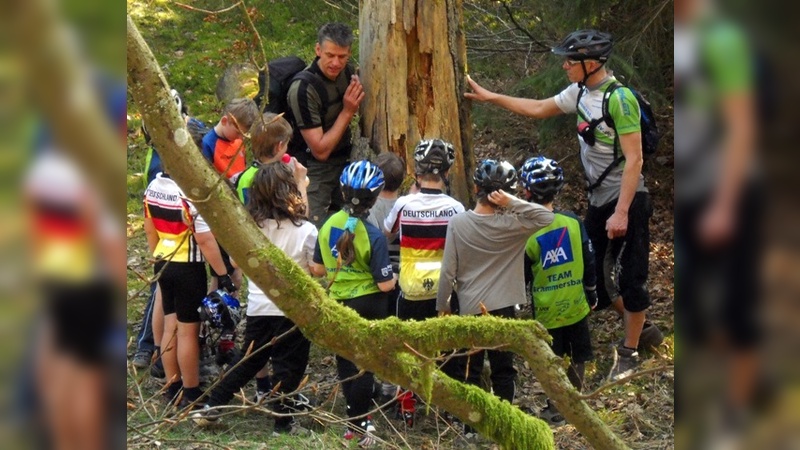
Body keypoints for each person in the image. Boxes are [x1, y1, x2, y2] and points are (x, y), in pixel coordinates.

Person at [464, 29, 656, 380]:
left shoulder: (620, 99)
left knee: (631, 275)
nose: (565, 65)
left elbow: (635, 160)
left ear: (592, 63)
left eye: (571, 60)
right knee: (596, 271)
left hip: (628, 198)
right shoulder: (581, 92)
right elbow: (539, 108)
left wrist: (623, 211)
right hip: (599, 199)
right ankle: (641, 327)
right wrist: (491, 97)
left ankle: (629, 352)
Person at [675, 0, 763, 444]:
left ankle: (736, 415)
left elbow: (741, 123)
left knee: (736, 306)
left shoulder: (723, 39)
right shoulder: (684, 38)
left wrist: (726, 204)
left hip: (730, 193)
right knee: (693, 308)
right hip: (691, 194)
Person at [192, 163, 317, 435]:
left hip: (260, 307)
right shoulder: (306, 231)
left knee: (249, 360)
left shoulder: (251, 229)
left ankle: (212, 407)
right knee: (289, 367)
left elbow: (237, 260)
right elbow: (316, 268)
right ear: (291, 193)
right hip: (293, 310)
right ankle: (283, 425)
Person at [436, 159, 553, 437]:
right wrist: (513, 202)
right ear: (506, 192)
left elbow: (447, 271)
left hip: (469, 308)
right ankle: (503, 424)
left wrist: (442, 306)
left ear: (476, 187)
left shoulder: (458, 223)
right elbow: (547, 216)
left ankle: (471, 427)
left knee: (471, 370)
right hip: (504, 309)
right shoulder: (514, 225)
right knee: (503, 369)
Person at [309, 160, 396, 448]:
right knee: (366, 365)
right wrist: (395, 276)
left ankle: (353, 423)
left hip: (338, 304)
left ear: (343, 192)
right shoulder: (373, 235)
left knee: (347, 365)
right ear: (375, 196)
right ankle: (365, 423)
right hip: (370, 304)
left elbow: (318, 270)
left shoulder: (327, 225)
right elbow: (385, 284)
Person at [143, 170, 235, 409]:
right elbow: (204, 240)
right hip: (188, 266)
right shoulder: (191, 193)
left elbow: (149, 226)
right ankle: (191, 392)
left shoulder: (154, 185)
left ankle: (172, 388)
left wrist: (158, 255)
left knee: (169, 327)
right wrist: (223, 274)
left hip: (163, 260)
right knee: (187, 332)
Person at [520, 156, 597, 426]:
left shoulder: (527, 232)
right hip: (576, 303)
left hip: (547, 309)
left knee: (552, 359)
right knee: (578, 354)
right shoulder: (573, 222)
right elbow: (589, 258)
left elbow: (523, 275)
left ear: (526, 191)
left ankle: (556, 406)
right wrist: (592, 291)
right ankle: (575, 399)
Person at [286, 22, 365, 227]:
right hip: (313, 170)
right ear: (318, 50)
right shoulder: (303, 88)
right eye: (330, 55)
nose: (336, 63)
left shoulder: (347, 73)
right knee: (312, 229)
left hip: (345, 162)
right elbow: (320, 150)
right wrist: (348, 111)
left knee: (348, 227)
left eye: (342, 56)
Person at [200, 97, 259, 178]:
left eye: (244, 134)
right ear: (224, 121)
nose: (241, 137)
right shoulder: (208, 144)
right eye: (238, 132)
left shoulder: (239, 141)